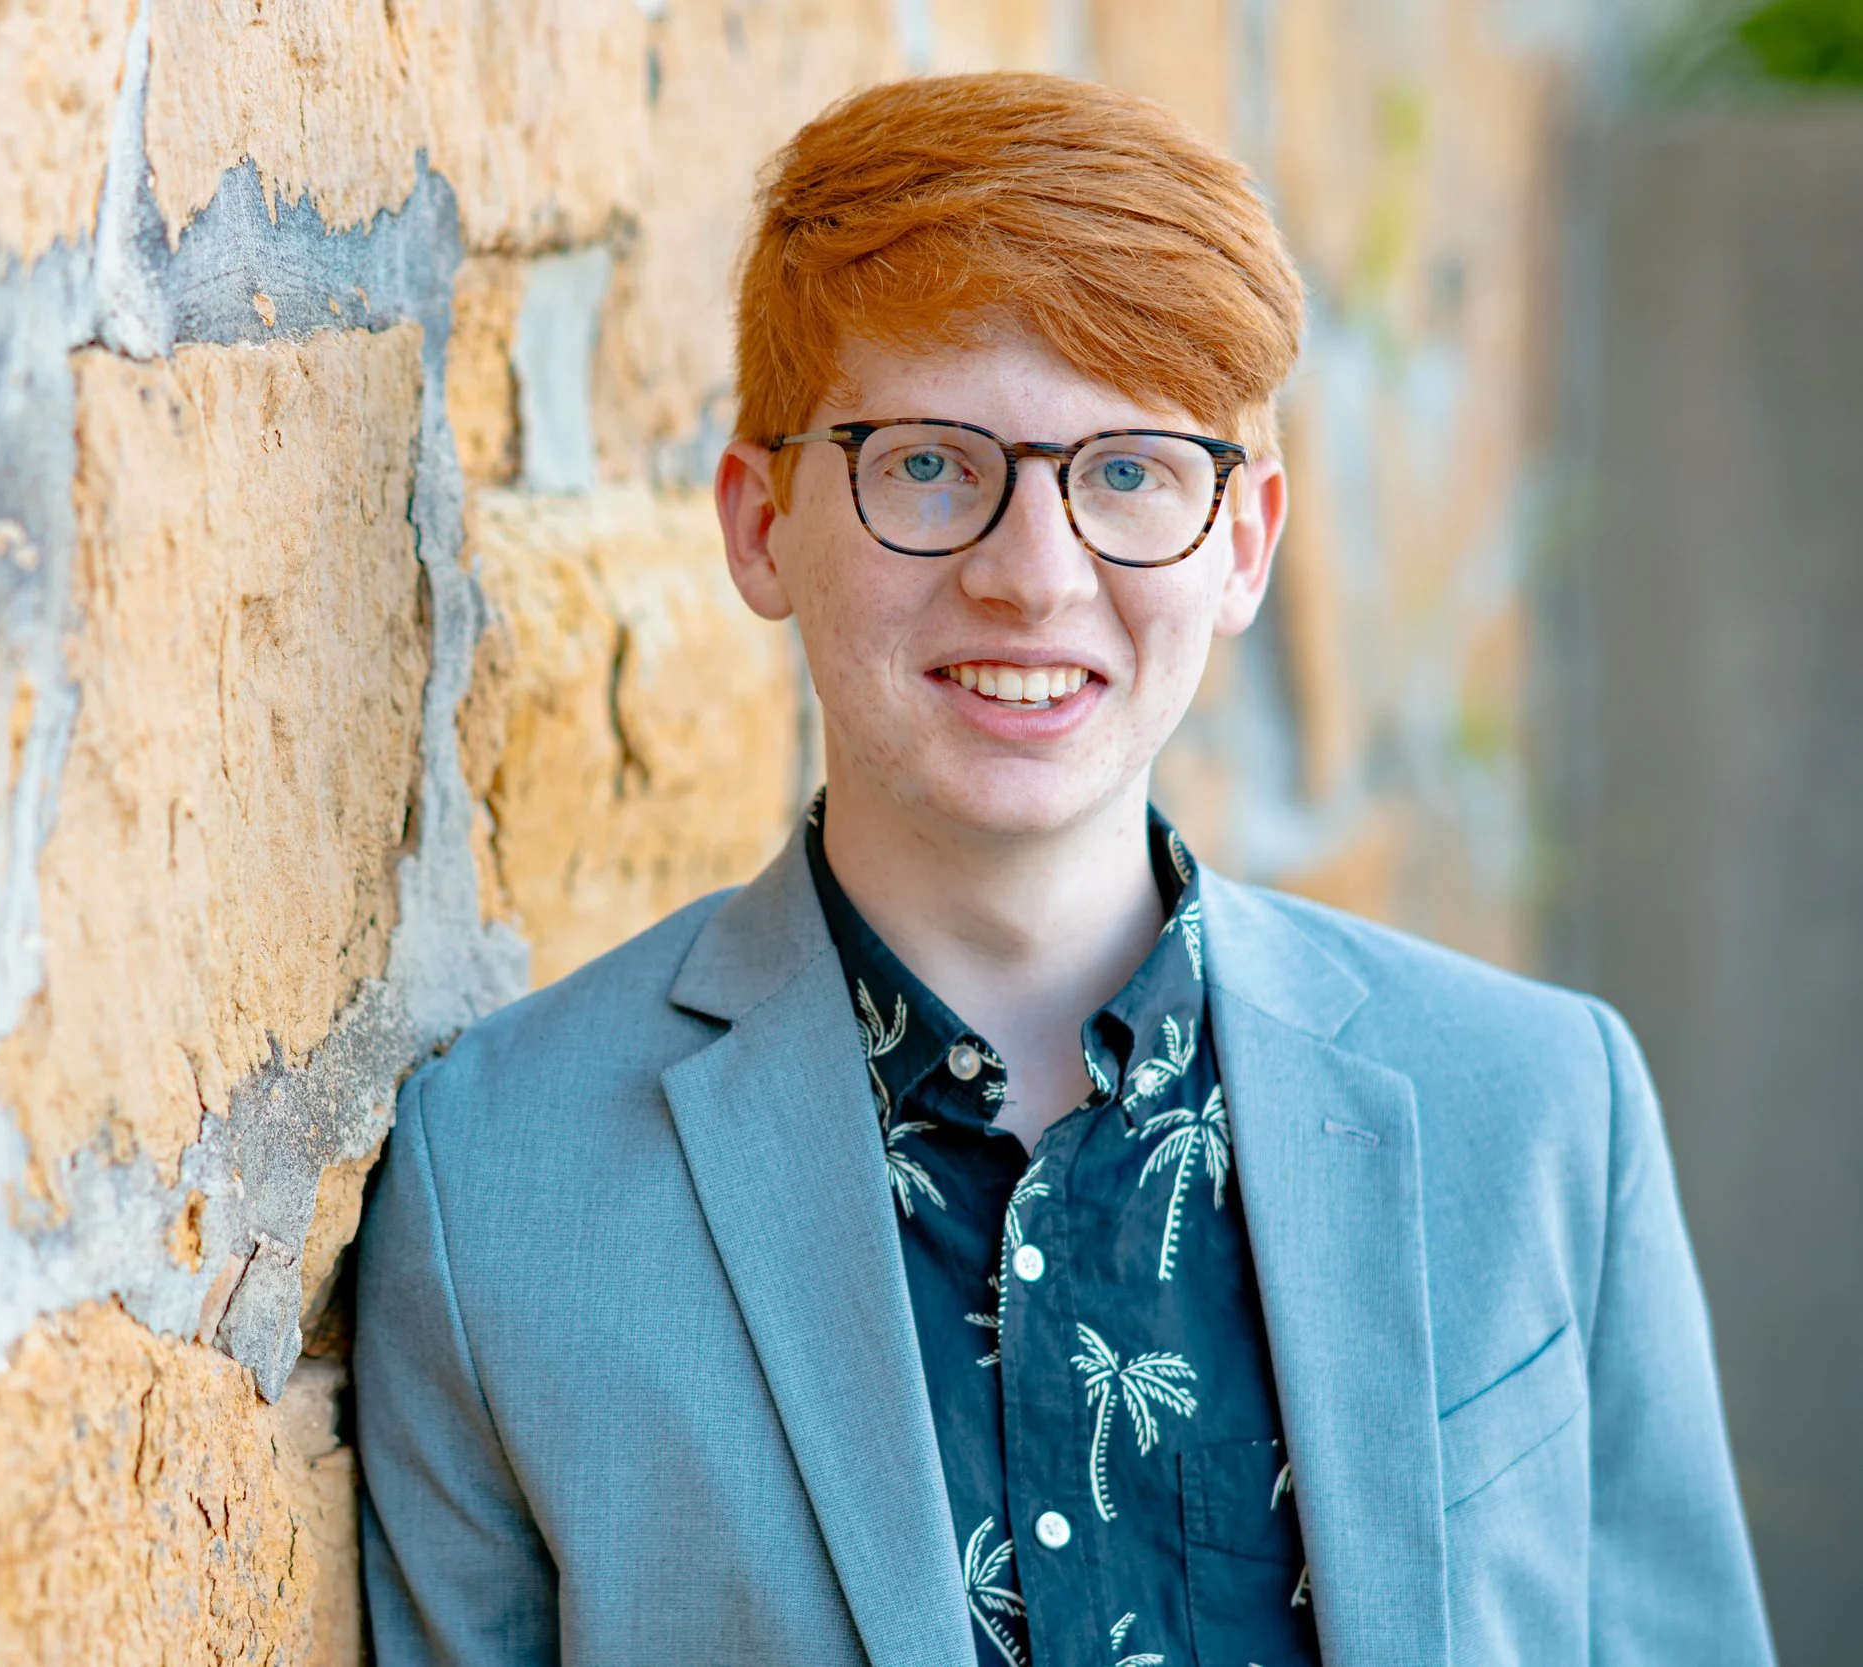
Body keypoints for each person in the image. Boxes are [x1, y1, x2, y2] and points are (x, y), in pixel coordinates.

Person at [353, 72, 1772, 1667]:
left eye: (1128, 472)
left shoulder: (1540, 1114)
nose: (1033, 576)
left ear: (1245, 543)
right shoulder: (502, 1186)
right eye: (932, 463)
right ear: (761, 522)